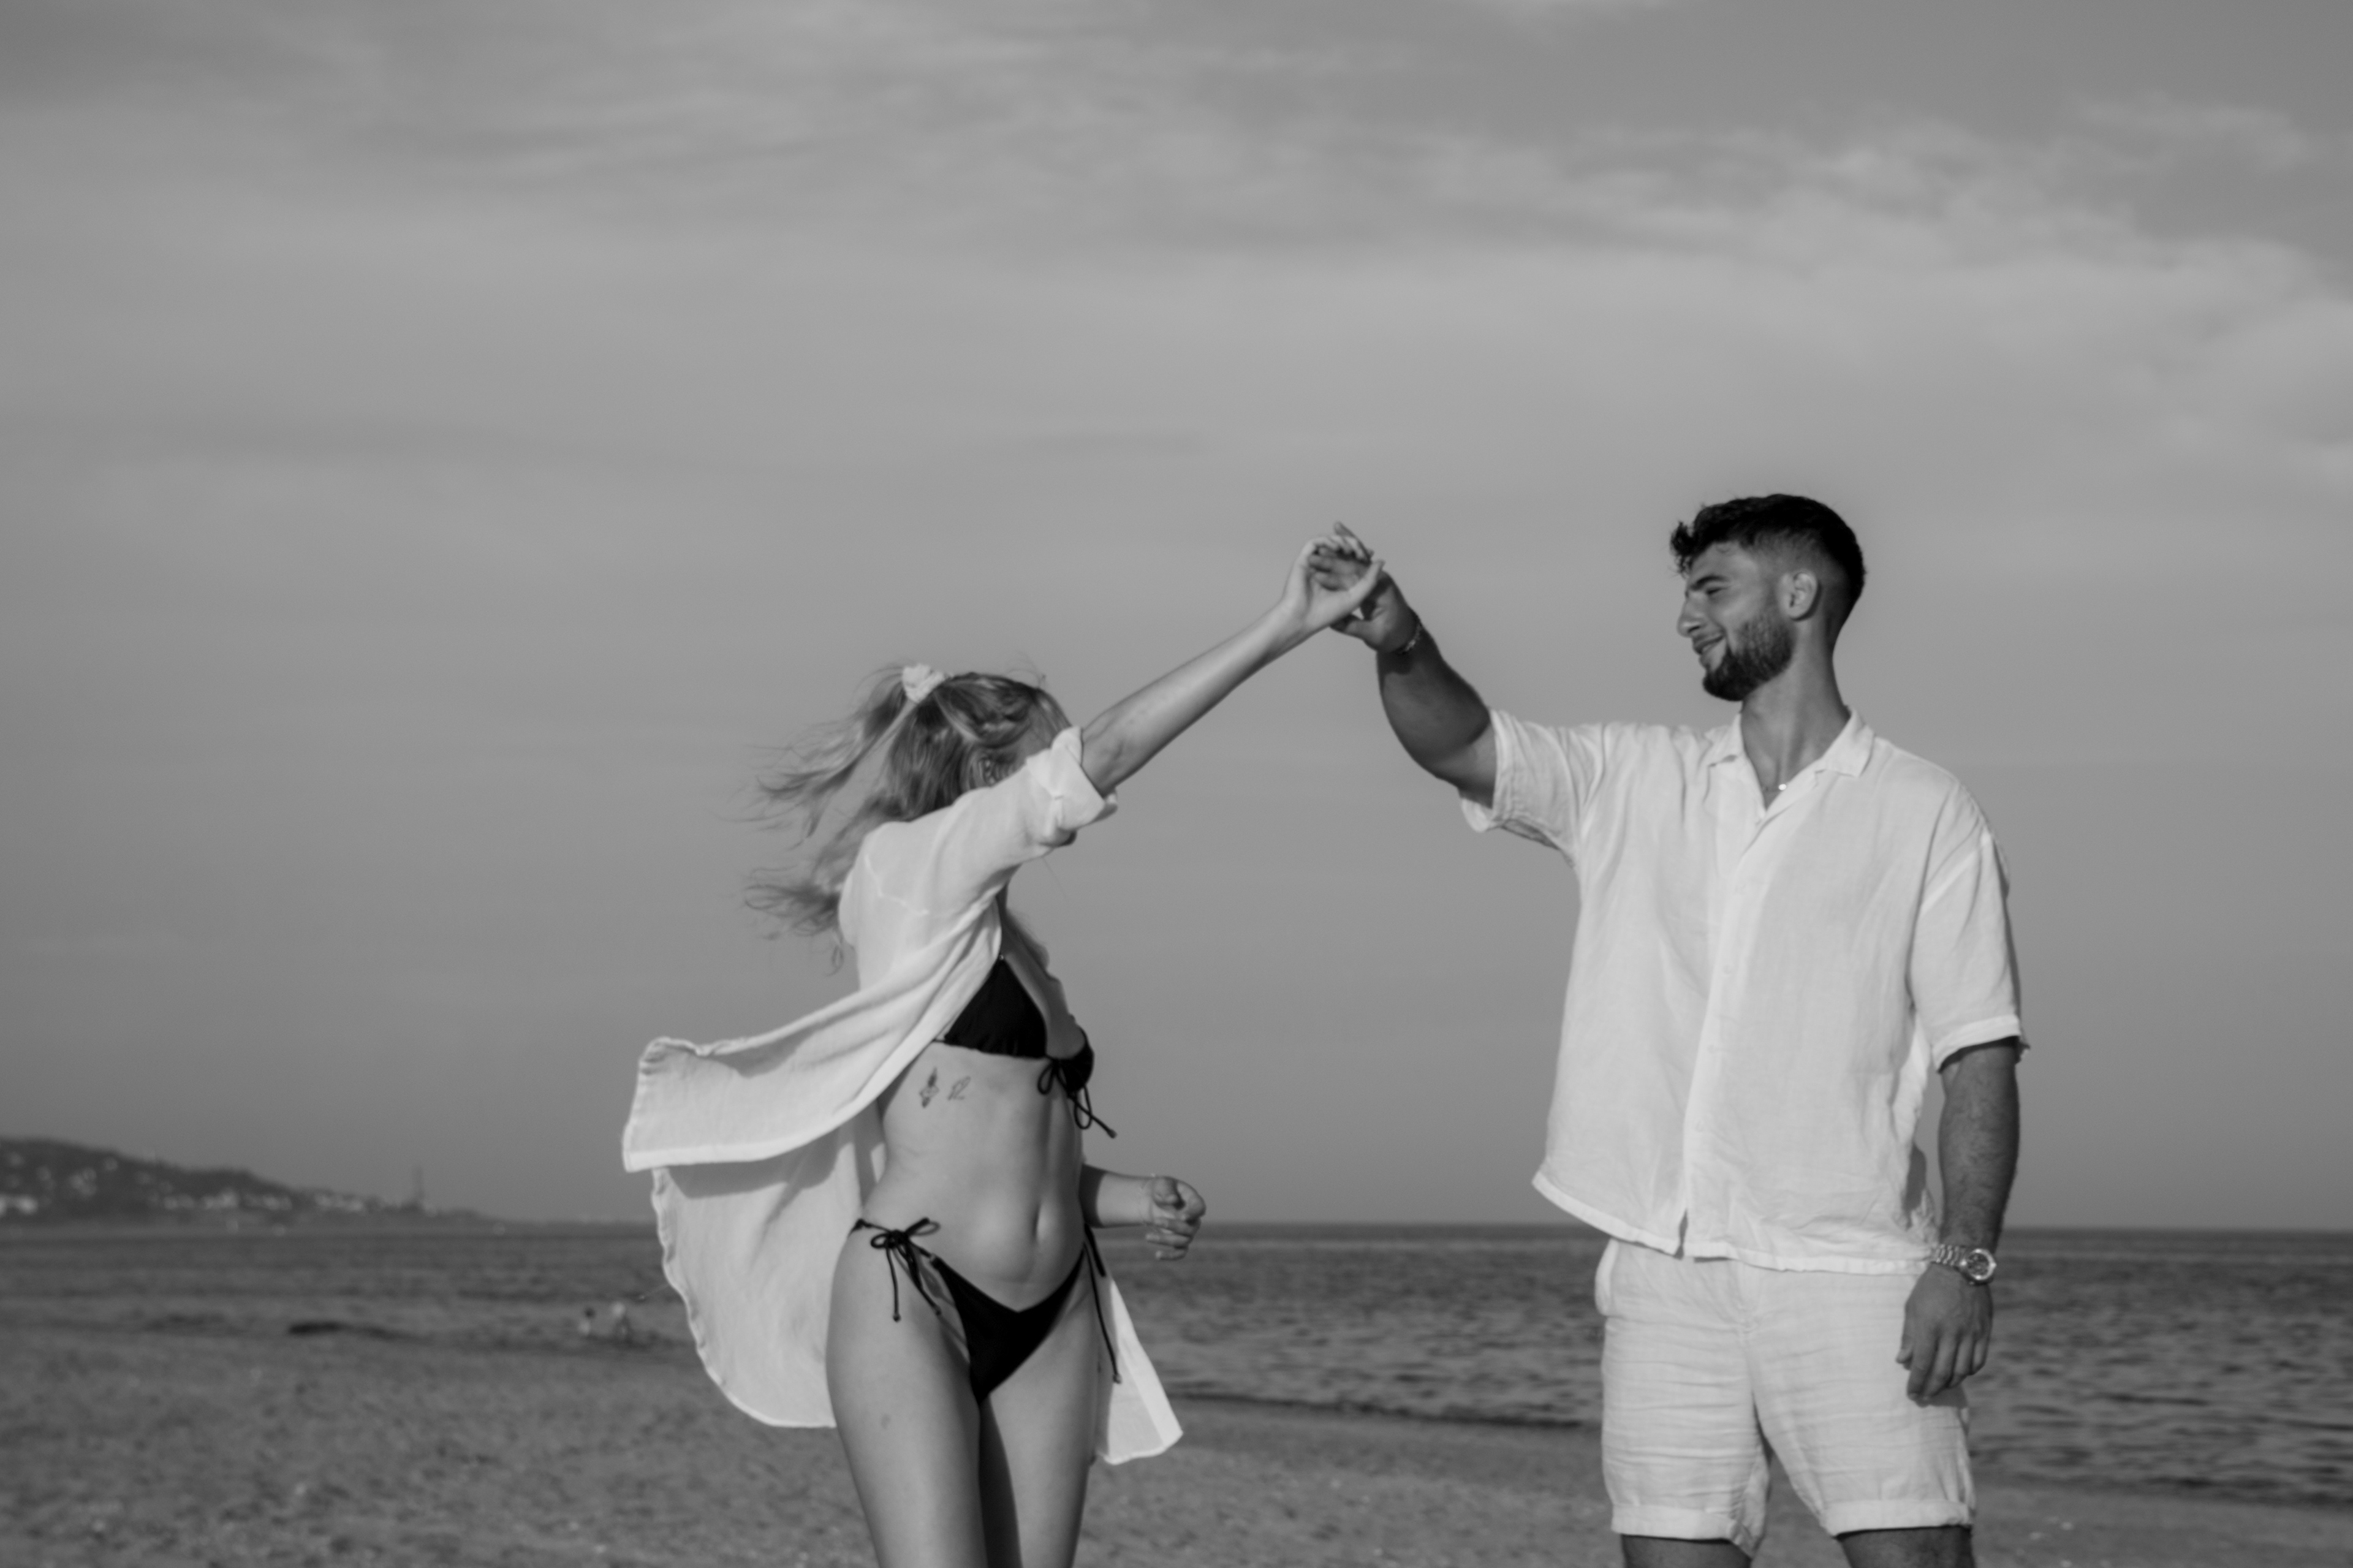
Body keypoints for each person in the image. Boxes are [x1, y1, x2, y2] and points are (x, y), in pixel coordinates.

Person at [621, 537, 1387, 1568]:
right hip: (917, 1293)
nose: (1075, 776)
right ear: (988, 773)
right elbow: (1106, 755)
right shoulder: (903, 872)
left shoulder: (1008, 946)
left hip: (1056, 1311)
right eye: (1049, 753)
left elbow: (1010, 1150)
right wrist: (1281, 628)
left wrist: (1132, 1196)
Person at [1313, 500, 2022, 1568]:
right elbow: (1460, 742)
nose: (1686, 618)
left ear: (1799, 594)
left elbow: (1980, 1054)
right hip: (1663, 1268)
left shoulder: (1925, 810)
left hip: (1849, 1267)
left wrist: (1964, 1266)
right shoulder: (1633, 776)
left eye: (1712, 589)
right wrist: (1399, 639)